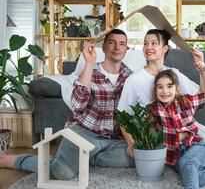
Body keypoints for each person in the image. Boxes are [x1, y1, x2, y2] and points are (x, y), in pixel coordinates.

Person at [0, 29, 135, 180]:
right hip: (85, 132)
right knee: (61, 172)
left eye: (122, 43)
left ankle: (85, 157)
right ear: (103, 47)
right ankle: (18, 160)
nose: (117, 47)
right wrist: (89, 63)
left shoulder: (130, 77)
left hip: (115, 139)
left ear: (126, 49)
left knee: (138, 158)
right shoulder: (90, 71)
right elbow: (77, 105)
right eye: (112, 42)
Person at [117, 29, 205, 164]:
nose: (148, 47)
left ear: (165, 48)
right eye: (145, 44)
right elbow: (123, 117)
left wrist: (202, 70)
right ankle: (199, 156)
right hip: (159, 134)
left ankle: (202, 152)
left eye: (153, 43)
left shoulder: (174, 74)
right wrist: (131, 143)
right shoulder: (134, 79)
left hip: (184, 127)